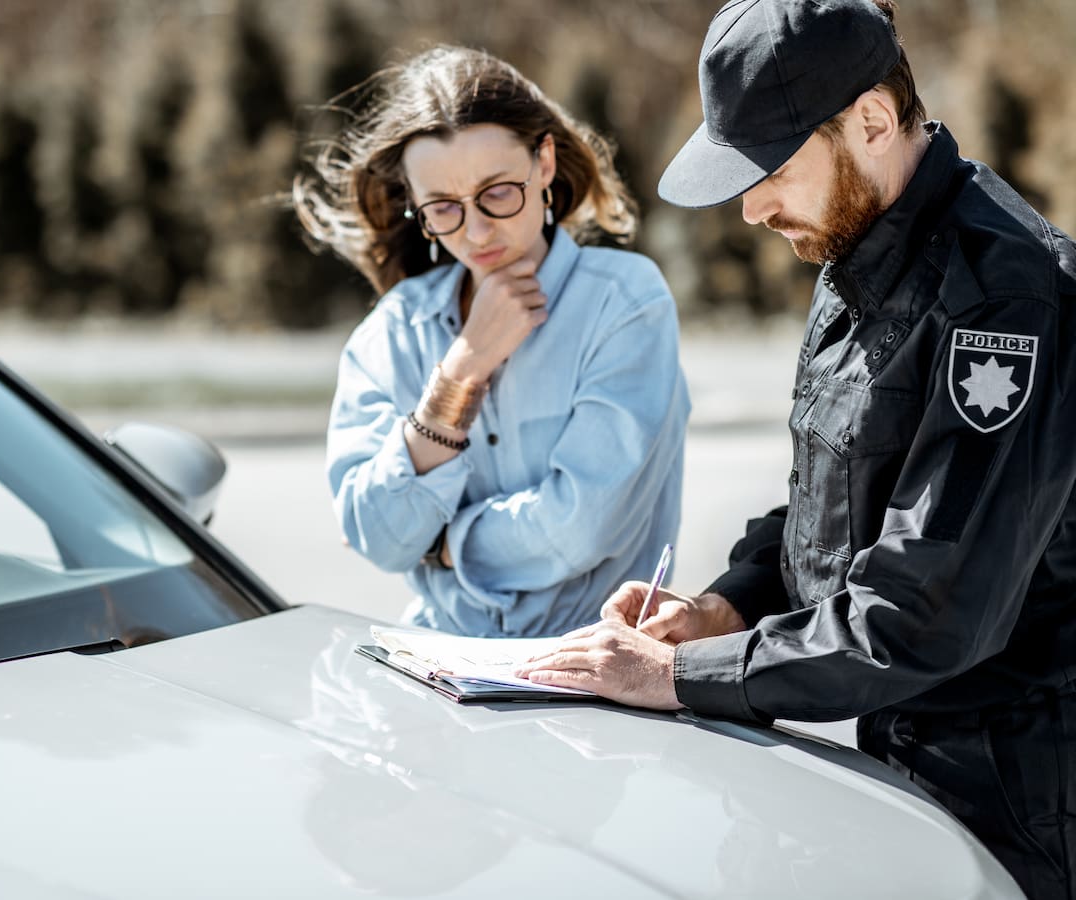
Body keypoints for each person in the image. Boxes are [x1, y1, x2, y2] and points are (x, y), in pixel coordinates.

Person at [515, 1, 1076, 895]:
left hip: (1020, 805)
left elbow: (923, 613)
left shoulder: (1007, 304)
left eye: (771, 165)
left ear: (873, 122)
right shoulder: (859, 247)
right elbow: (836, 492)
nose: (751, 208)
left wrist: (678, 675)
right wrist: (726, 607)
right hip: (904, 765)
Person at [294, 46, 690, 637]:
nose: (476, 231)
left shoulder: (625, 302)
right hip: (434, 667)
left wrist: (445, 544)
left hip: (592, 677)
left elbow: (581, 527)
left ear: (545, 163)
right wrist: (457, 378)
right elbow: (376, 536)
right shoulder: (394, 329)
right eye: (444, 208)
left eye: (498, 192)